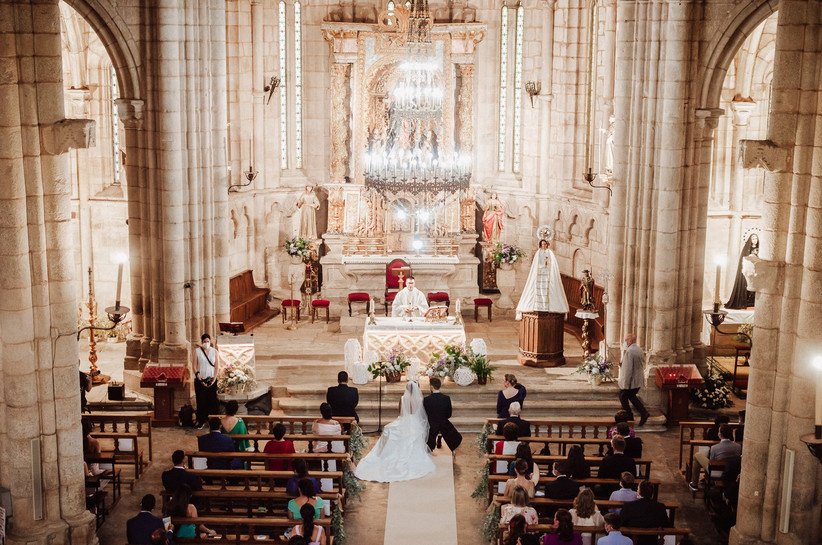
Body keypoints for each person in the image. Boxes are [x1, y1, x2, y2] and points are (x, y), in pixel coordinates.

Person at [354, 381, 435, 482]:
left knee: (388, 429)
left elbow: (400, 411)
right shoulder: (419, 399)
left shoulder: (403, 398)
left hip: (404, 420)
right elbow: (421, 413)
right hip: (415, 422)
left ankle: (385, 453)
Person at [516, 238, 569, 319]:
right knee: (539, 289)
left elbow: (553, 264)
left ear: (547, 244)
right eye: (542, 244)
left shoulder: (550, 252)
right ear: (540, 245)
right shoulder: (538, 253)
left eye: (545, 244)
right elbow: (536, 264)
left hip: (548, 274)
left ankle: (547, 306)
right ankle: (537, 306)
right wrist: (542, 265)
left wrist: (548, 264)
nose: (544, 246)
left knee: (547, 289)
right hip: (540, 274)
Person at [689, 424, 742, 492]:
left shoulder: (715, 447)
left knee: (697, 455)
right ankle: (696, 483)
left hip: (717, 473)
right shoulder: (738, 446)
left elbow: (712, 462)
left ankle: (694, 484)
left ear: (720, 434)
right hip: (732, 472)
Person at [618, 481, 671, 545]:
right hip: (652, 541)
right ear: (652, 494)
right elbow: (666, 524)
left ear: (639, 492)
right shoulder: (660, 507)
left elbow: (620, 523)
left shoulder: (628, 506)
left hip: (631, 541)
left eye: (637, 489)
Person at [423, 376, 463, 454]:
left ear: (431, 387)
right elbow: (449, 414)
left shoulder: (426, 400)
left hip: (431, 425)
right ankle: (440, 439)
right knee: (453, 434)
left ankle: (430, 447)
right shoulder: (446, 398)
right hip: (444, 423)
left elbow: (425, 414)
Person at [617, 333, 650, 426]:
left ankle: (630, 417)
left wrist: (625, 384)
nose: (625, 342)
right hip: (638, 378)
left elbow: (628, 370)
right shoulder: (638, 349)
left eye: (626, 340)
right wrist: (622, 364)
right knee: (631, 396)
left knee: (623, 395)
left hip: (632, 380)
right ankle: (643, 413)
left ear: (630, 341)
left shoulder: (629, 351)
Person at [726, 233, 759, 309]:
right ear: (750, 240)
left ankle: (753, 303)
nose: (755, 240)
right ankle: (746, 302)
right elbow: (744, 259)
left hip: (756, 271)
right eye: (753, 238)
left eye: (756, 238)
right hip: (749, 270)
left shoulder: (760, 249)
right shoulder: (747, 249)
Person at [192, 333, 220, 427]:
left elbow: (216, 367)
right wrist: (200, 380)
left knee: (212, 401)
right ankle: (201, 420)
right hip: (200, 380)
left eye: (208, 341)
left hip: (211, 380)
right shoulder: (197, 351)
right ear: (202, 342)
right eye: (204, 342)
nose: (206, 343)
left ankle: (213, 422)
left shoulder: (214, 351)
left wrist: (214, 380)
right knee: (201, 401)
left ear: (210, 341)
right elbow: (194, 367)